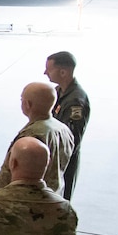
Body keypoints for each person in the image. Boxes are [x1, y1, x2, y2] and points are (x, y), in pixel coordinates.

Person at [0, 83, 75, 194]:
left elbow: (9, 174)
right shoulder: (64, 130)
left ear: (27, 104)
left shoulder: (30, 138)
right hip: (53, 196)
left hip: (25, 201)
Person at [46, 52, 91, 200]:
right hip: (53, 156)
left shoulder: (76, 101)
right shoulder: (59, 91)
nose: (45, 72)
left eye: (49, 69)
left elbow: (72, 139)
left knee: (60, 201)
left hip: (63, 161)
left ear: (63, 72)